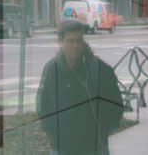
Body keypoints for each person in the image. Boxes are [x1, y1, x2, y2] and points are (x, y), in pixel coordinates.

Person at [36, 20, 124, 155]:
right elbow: (43, 106)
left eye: (79, 40)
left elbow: (115, 104)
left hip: (94, 147)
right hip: (62, 147)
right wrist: (54, 135)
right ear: (61, 42)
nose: (75, 45)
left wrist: (103, 131)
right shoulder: (52, 70)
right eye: (70, 41)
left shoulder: (100, 69)